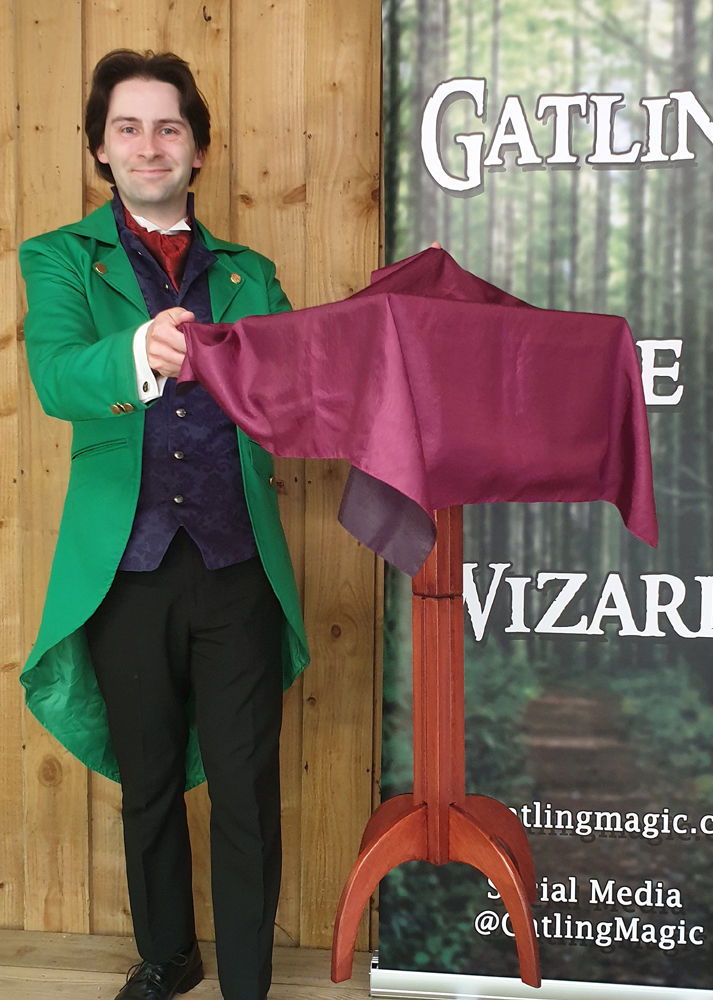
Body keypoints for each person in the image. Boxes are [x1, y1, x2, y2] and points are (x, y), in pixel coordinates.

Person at [19, 49, 309, 1000]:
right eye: (130, 127)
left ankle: (249, 981)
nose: (151, 145)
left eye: (170, 127)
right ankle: (167, 957)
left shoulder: (251, 273)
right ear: (102, 147)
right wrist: (138, 349)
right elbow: (59, 378)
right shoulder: (58, 258)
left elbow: (298, 400)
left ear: (199, 148)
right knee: (148, 783)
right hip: (126, 569)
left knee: (243, 787)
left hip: (237, 568)